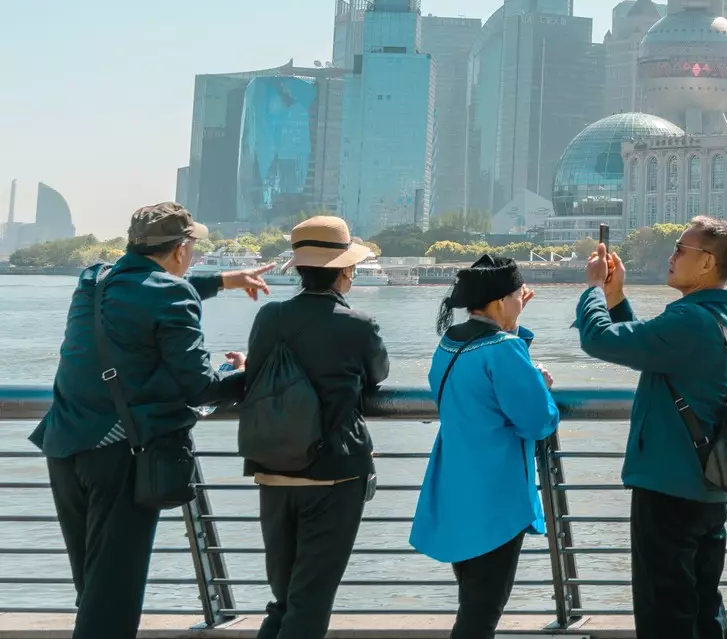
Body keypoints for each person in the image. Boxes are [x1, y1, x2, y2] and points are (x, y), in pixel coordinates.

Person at [31, 202, 272, 639]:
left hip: (64, 444)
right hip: (119, 453)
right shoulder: (172, 294)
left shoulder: (95, 280)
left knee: (94, 587)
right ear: (181, 249)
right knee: (114, 596)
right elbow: (201, 387)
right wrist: (246, 371)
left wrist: (222, 280)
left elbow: (145, 287)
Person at [574, 216, 727, 639]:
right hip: (705, 488)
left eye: (679, 249)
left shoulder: (689, 322)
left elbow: (600, 340)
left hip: (669, 490)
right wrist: (617, 300)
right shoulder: (721, 318)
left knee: (664, 614)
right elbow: (650, 347)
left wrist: (595, 289)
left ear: (707, 263)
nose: (671, 256)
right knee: (703, 607)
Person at [242, 216, 390, 639]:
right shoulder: (358, 324)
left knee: (285, 598)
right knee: (311, 600)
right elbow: (376, 373)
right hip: (335, 473)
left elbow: (258, 372)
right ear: (345, 270)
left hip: (273, 470)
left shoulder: (269, 317)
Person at [410, 254, 560, 639]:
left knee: (473, 603)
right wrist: (540, 384)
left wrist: (515, 328)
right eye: (516, 296)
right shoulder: (502, 350)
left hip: (456, 490)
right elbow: (539, 420)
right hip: (495, 497)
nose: (520, 301)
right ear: (499, 301)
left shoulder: (449, 344)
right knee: (481, 614)